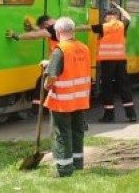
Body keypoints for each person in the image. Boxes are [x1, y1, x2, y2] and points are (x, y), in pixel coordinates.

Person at [42, 17, 92, 178]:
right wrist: (48, 63)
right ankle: (77, 164)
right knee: (77, 132)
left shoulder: (59, 50)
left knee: (61, 134)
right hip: (80, 99)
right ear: (73, 31)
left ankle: (64, 169)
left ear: (57, 32)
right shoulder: (83, 48)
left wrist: (46, 85)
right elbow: (73, 68)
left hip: (63, 101)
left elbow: (53, 76)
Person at [93, 1, 137, 123]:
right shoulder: (123, 25)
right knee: (124, 87)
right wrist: (119, 7)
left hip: (107, 62)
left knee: (107, 87)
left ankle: (109, 115)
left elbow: (87, 28)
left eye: (106, 16)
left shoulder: (104, 27)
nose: (105, 18)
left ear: (110, 17)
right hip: (120, 61)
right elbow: (128, 17)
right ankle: (131, 114)